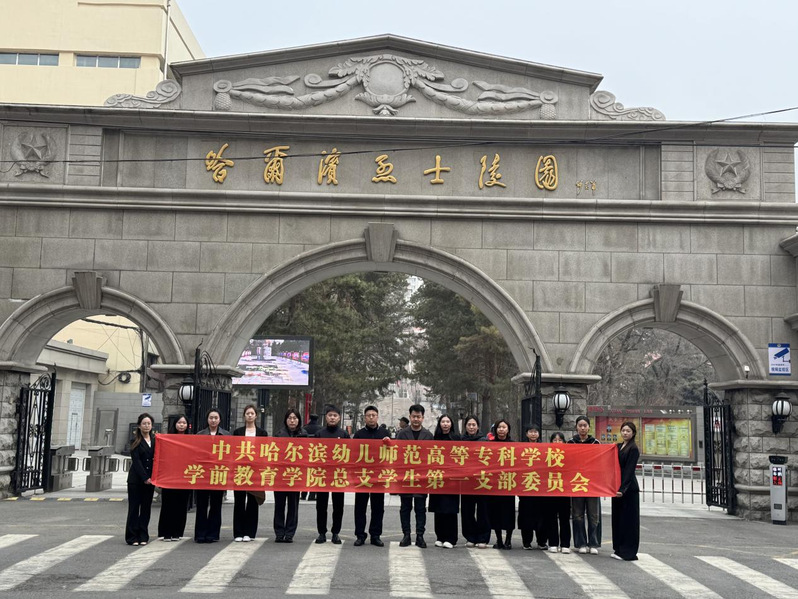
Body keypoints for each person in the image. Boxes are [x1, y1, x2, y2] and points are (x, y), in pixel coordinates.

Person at [352, 405, 390, 547]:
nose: (371, 418)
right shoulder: (359, 434)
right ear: (365, 418)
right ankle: (360, 535)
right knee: (360, 507)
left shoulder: (384, 433)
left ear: (377, 417)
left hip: (379, 476)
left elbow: (392, 454)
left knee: (378, 507)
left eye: (374, 415)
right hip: (362, 476)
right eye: (369, 415)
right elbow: (353, 454)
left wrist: (389, 443)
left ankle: (375, 535)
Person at [396, 404, 433, 548]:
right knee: (405, 508)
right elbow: (397, 454)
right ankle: (406, 535)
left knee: (420, 508)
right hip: (406, 477)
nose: (416, 419)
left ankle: (420, 536)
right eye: (413, 416)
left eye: (418, 417)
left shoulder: (428, 435)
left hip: (421, 477)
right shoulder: (402, 434)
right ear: (410, 417)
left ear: (423, 418)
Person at [232, 404, 268, 542]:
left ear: (256, 416)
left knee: (253, 501)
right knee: (239, 501)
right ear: (244, 416)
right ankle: (238, 532)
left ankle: (250, 532)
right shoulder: (238, 432)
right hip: (240, 470)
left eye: (252, 413)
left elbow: (264, 451)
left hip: (255, 471)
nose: (250, 415)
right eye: (247, 413)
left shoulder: (262, 433)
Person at [315, 406, 349, 544]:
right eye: (330, 415)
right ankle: (321, 533)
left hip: (338, 475)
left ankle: (336, 533)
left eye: (335, 415)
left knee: (338, 506)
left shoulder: (344, 434)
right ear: (326, 417)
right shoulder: (319, 434)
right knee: (321, 506)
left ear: (339, 418)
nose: (332, 418)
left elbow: (350, 454)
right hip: (322, 474)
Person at [195, 409, 230, 543]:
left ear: (220, 420)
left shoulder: (226, 435)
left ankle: (213, 533)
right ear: (207, 419)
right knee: (202, 505)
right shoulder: (200, 435)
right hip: (203, 474)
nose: (213, 420)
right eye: (211, 418)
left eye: (216, 418)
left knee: (216, 504)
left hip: (219, 474)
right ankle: (200, 534)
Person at [568, 415, 601, 554]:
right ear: (576, 427)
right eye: (580, 425)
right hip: (576, 483)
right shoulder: (571, 443)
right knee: (577, 514)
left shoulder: (596, 443)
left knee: (594, 515)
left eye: (585, 425)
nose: (582, 428)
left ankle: (593, 543)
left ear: (589, 427)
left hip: (592, 484)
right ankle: (581, 543)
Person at [157, 414, 191, 541]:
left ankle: (177, 532)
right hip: (169, 477)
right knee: (168, 505)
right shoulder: (167, 439)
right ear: (175, 424)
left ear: (187, 425)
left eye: (184, 423)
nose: (181, 425)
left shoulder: (192, 440)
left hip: (185, 477)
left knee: (181, 505)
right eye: (179, 423)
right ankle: (166, 532)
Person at [429, 414, 460, 548]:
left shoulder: (457, 438)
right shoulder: (434, 438)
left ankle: (451, 538)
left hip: (452, 479)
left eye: (448, 421)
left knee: (450, 509)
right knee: (439, 508)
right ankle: (440, 536)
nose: (445, 424)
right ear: (439, 424)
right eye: (443, 421)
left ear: (451, 424)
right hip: (437, 478)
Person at [274, 408, 305, 543]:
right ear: (286, 420)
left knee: (293, 505)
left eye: (295, 418)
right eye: (290, 418)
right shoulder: (279, 435)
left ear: (299, 420)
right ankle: (279, 532)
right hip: (280, 476)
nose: (292, 421)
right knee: (279, 505)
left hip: (296, 476)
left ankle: (290, 533)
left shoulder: (304, 435)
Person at [460, 415, 491, 549]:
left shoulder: (485, 441)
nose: (471, 427)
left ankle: (483, 537)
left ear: (478, 426)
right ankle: (470, 536)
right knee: (467, 510)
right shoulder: (460, 441)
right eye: (469, 425)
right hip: (467, 481)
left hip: (482, 481)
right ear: (465, 426)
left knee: (483, 510)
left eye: (474, 425)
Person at [125, 413, 156, 546]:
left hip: (150, 480)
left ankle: (143, 535)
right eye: (144, 423)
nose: (146, 426)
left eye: (149, 423)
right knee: (134, 508)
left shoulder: (155, 440)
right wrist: (145, 477)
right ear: (139, 426)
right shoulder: (135, 441)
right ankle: (132, 536)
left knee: (146, 508)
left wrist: (152, 478)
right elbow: (136, 462)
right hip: (136, 480)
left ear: (152, 426)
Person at [611, 421, 640, 561]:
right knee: (618, 519)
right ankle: (619, 549)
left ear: (633, 433)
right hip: (617, 487)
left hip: (628, 489)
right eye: (623, 430)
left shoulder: (633, 449)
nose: (625, 433)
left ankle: (628, 552)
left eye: (628, 431)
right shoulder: (618, 446)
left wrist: (622, 489)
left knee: (628, 521)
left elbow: (629, 471)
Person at [518, 425, 547, 550]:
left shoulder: (544, 449)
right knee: (526, 516)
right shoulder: (520, 448)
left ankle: (541, 541)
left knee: (542, 516)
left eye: (536, 432)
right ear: (526, 434)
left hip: (540, 488)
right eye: (531, 431)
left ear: (539, 434)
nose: (533, 434)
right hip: (526, 486)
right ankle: (526, 541)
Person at [488, 419, 515, 549]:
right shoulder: (490, 445)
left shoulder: (514, 445)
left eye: (504, 427)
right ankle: (499, 539)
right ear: (495, 429)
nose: (501, 430)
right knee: (496, 513)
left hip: (508, 483)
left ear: (508, 429)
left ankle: (508, 540)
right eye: (499, 427)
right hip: (495, 485)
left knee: (509, 513)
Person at [545, 432, 571, 553]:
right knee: (551, 517)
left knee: (564, 518)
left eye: (560, 440)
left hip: (564, 490)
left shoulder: (568, 454)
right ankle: (553, 543)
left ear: (564, 442)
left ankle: (565, 544)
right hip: (551, 489)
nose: (557, 442)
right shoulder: (546, 454)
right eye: (554, 440)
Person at [300, 414, 322, 501]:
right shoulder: (320, 429)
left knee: (305, 475)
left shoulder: (304, 428)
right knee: (314, 475)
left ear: (310, 419)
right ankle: (312, 495)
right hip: (316, 454)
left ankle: (303, 494)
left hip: (305, 454)